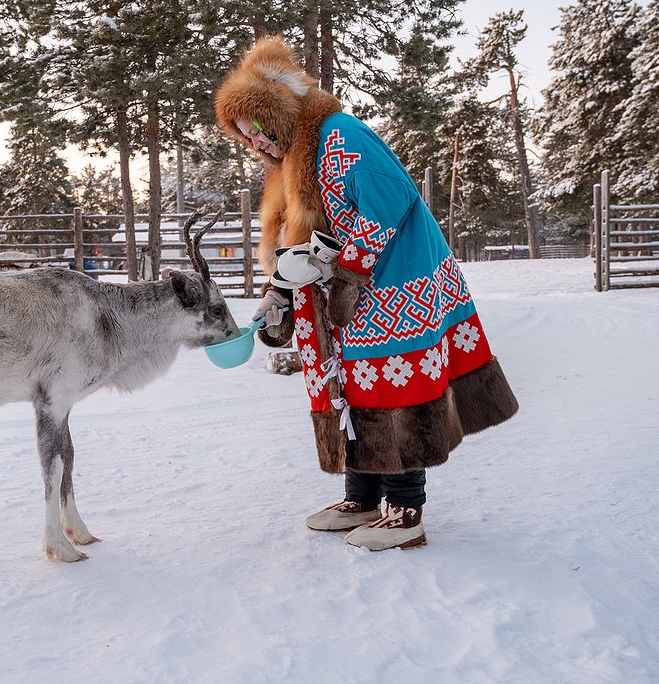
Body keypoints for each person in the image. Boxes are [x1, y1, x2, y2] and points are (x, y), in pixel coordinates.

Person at [214, 37, 519, 551]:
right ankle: (363, 495)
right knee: (352, 390)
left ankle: (405, 509)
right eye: (245, 139)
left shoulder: (339, 135)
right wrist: (280, 293)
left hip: (396, 286)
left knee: (393, 389)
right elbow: (302, 242)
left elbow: (389, 203)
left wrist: (342, 266)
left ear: (278, 113)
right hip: (352, 299)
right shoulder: (292, 162)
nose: (256, 146)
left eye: (258, 132)